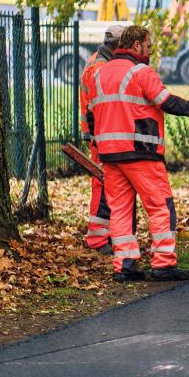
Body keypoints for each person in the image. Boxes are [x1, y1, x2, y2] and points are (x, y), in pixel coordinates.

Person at [87, 25, 189, 282]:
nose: (150, 52)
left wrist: (101, 144)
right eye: (149, 46)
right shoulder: (142, 72)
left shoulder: (99, 74)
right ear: (137, 45)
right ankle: (163, 263)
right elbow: (168, 102)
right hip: (141, 151)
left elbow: (91, 114)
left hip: (109, 154)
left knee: (120, 211)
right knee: (161, 207)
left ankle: (125, 266)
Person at [77, 24, 125, 253]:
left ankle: (105, 235)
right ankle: (96, 239)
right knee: (102, 184)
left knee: (106, 185)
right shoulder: (99, 68)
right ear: (116, 46)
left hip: (100, 133)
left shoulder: (99, 62)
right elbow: (98, 105)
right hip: (99, 135)